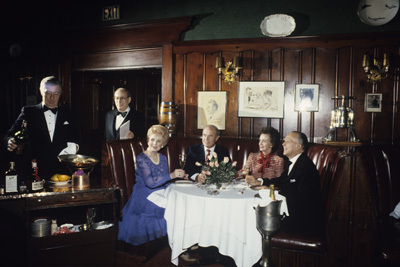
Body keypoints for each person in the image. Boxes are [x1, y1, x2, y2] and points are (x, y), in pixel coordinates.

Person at [117, 125, 187, 246]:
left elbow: (164, 179)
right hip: (144, 195)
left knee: (179, 202)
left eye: (159, 141)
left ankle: (182, 242)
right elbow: (150, 182)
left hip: (160, 191)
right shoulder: (142, 158)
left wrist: (179, 177)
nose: (155, 143)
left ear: (163, 144)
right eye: (152, 139)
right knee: (171, 208)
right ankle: (177, 243)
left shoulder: (163, 158)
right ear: (148, 140)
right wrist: (172, 175)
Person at [246, 131, 323, 233]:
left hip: (299, 222)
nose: (283, 144)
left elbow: (302, 200)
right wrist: (259, 182)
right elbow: (281, 181)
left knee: (253, 217)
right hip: (293, 214)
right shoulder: (294, 162)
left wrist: (272, 191)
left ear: (298, 146)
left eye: (287, 141)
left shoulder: (305, 167)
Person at [3, 76, 79, 179]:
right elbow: (9, 135)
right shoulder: (28, 112)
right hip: (34, 170)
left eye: (56, 93)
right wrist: (9, 141)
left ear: (60, 94)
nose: (52, 97)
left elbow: (77, 139)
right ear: (41, 91)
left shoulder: (68, 114)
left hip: (61, 171)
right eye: (48, 93)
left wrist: (76, 147)